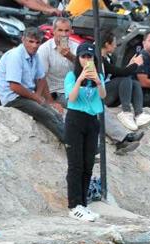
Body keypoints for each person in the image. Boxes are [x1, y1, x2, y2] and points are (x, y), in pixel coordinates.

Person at [0, 27, 64, 142]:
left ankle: (76, 145)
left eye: (37, 42)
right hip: (13, 98)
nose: (34, 46)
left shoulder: (35, 55)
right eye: (31, 41)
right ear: (23, 40)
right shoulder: (15, 55)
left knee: (56, 115)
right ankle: (73, 146)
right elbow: (14, 86)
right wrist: (36, 98)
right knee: (47, 115)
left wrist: (37, 96)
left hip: (28, 96)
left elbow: (41, 78)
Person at [64, 42, 106, 222]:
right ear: (78, 58)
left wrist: (97, 81)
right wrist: (80, 79)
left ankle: (83, 203)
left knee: (88, 164)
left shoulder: (99, 75)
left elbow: (103, 96)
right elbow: (71, 98)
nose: (87, 60)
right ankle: (74, 206)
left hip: (92, 120)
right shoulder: (71, 76)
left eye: (90, 57)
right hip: (75, 120)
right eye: (84, 57)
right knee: (76, 164)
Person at [99, 29, 150, 133]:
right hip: (100, 95)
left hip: (109, 93)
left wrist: (130, 65)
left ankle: (139, 114)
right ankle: (125, 112)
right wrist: (135, 65)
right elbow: (121, 73)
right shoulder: (99, 59)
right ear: (107, 44)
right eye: (114, 44)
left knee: (134, 82)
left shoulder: (109, 58)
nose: (116, 46)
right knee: (126, 78)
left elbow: (117, 74)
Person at [37, 17, 76, 107]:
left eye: (66, 31)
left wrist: (70, 56)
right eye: (60, 30)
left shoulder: (75, 47)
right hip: (57, 91)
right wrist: (50, 101)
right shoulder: (45, 49)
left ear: (71, 32)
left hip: (76, 89)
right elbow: (41, 77)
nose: (63, 34)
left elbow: (86, 68)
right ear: (53, 31)